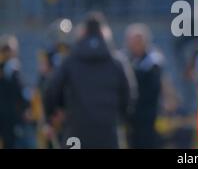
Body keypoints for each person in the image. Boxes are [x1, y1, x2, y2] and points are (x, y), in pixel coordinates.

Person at [44, 13, 135, 149]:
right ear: (104, 33)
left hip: (76, 132)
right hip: (108, 133)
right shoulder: (117, 62)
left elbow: (51, 91)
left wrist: (54, 115)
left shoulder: (70, 60)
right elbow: (129, 96)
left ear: (84, 32)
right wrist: (119, 119)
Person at [124, 23, 164, 148]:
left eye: (138, 41)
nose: (135, 45)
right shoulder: (125, 59)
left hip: (147, 117)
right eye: (132, 41)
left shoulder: (153, 61)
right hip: (130, 118)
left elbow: (151, 88)